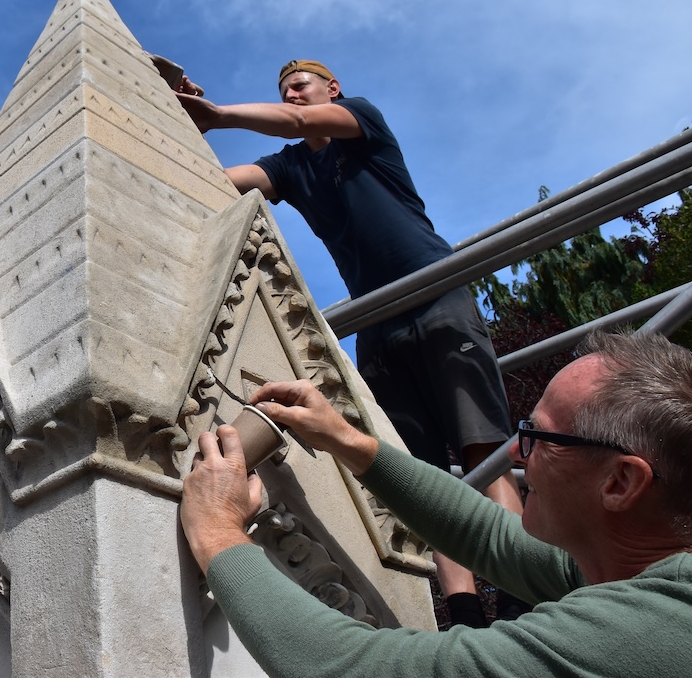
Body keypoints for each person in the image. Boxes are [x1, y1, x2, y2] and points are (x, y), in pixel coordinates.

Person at [176, 60, 523, 624]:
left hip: (436, 296)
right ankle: (463, 607)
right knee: (422, 472)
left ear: (331, 90)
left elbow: (294, 120)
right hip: (377, 322)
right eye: (285, 88)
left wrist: (216, 115)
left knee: (483, 445)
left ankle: (517, 582)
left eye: (302, 85)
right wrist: (170, 116)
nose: (292, 92)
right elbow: (215, 182)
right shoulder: (290, 168)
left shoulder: (361, 121)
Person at [180, 330, 692, 677]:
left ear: (621, 483)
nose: (515, 451)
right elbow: (487, 537)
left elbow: (358, 668)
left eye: (539, 436)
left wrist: (220, 534)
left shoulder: (649, 632)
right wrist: (347, 440)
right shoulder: (635, 559)